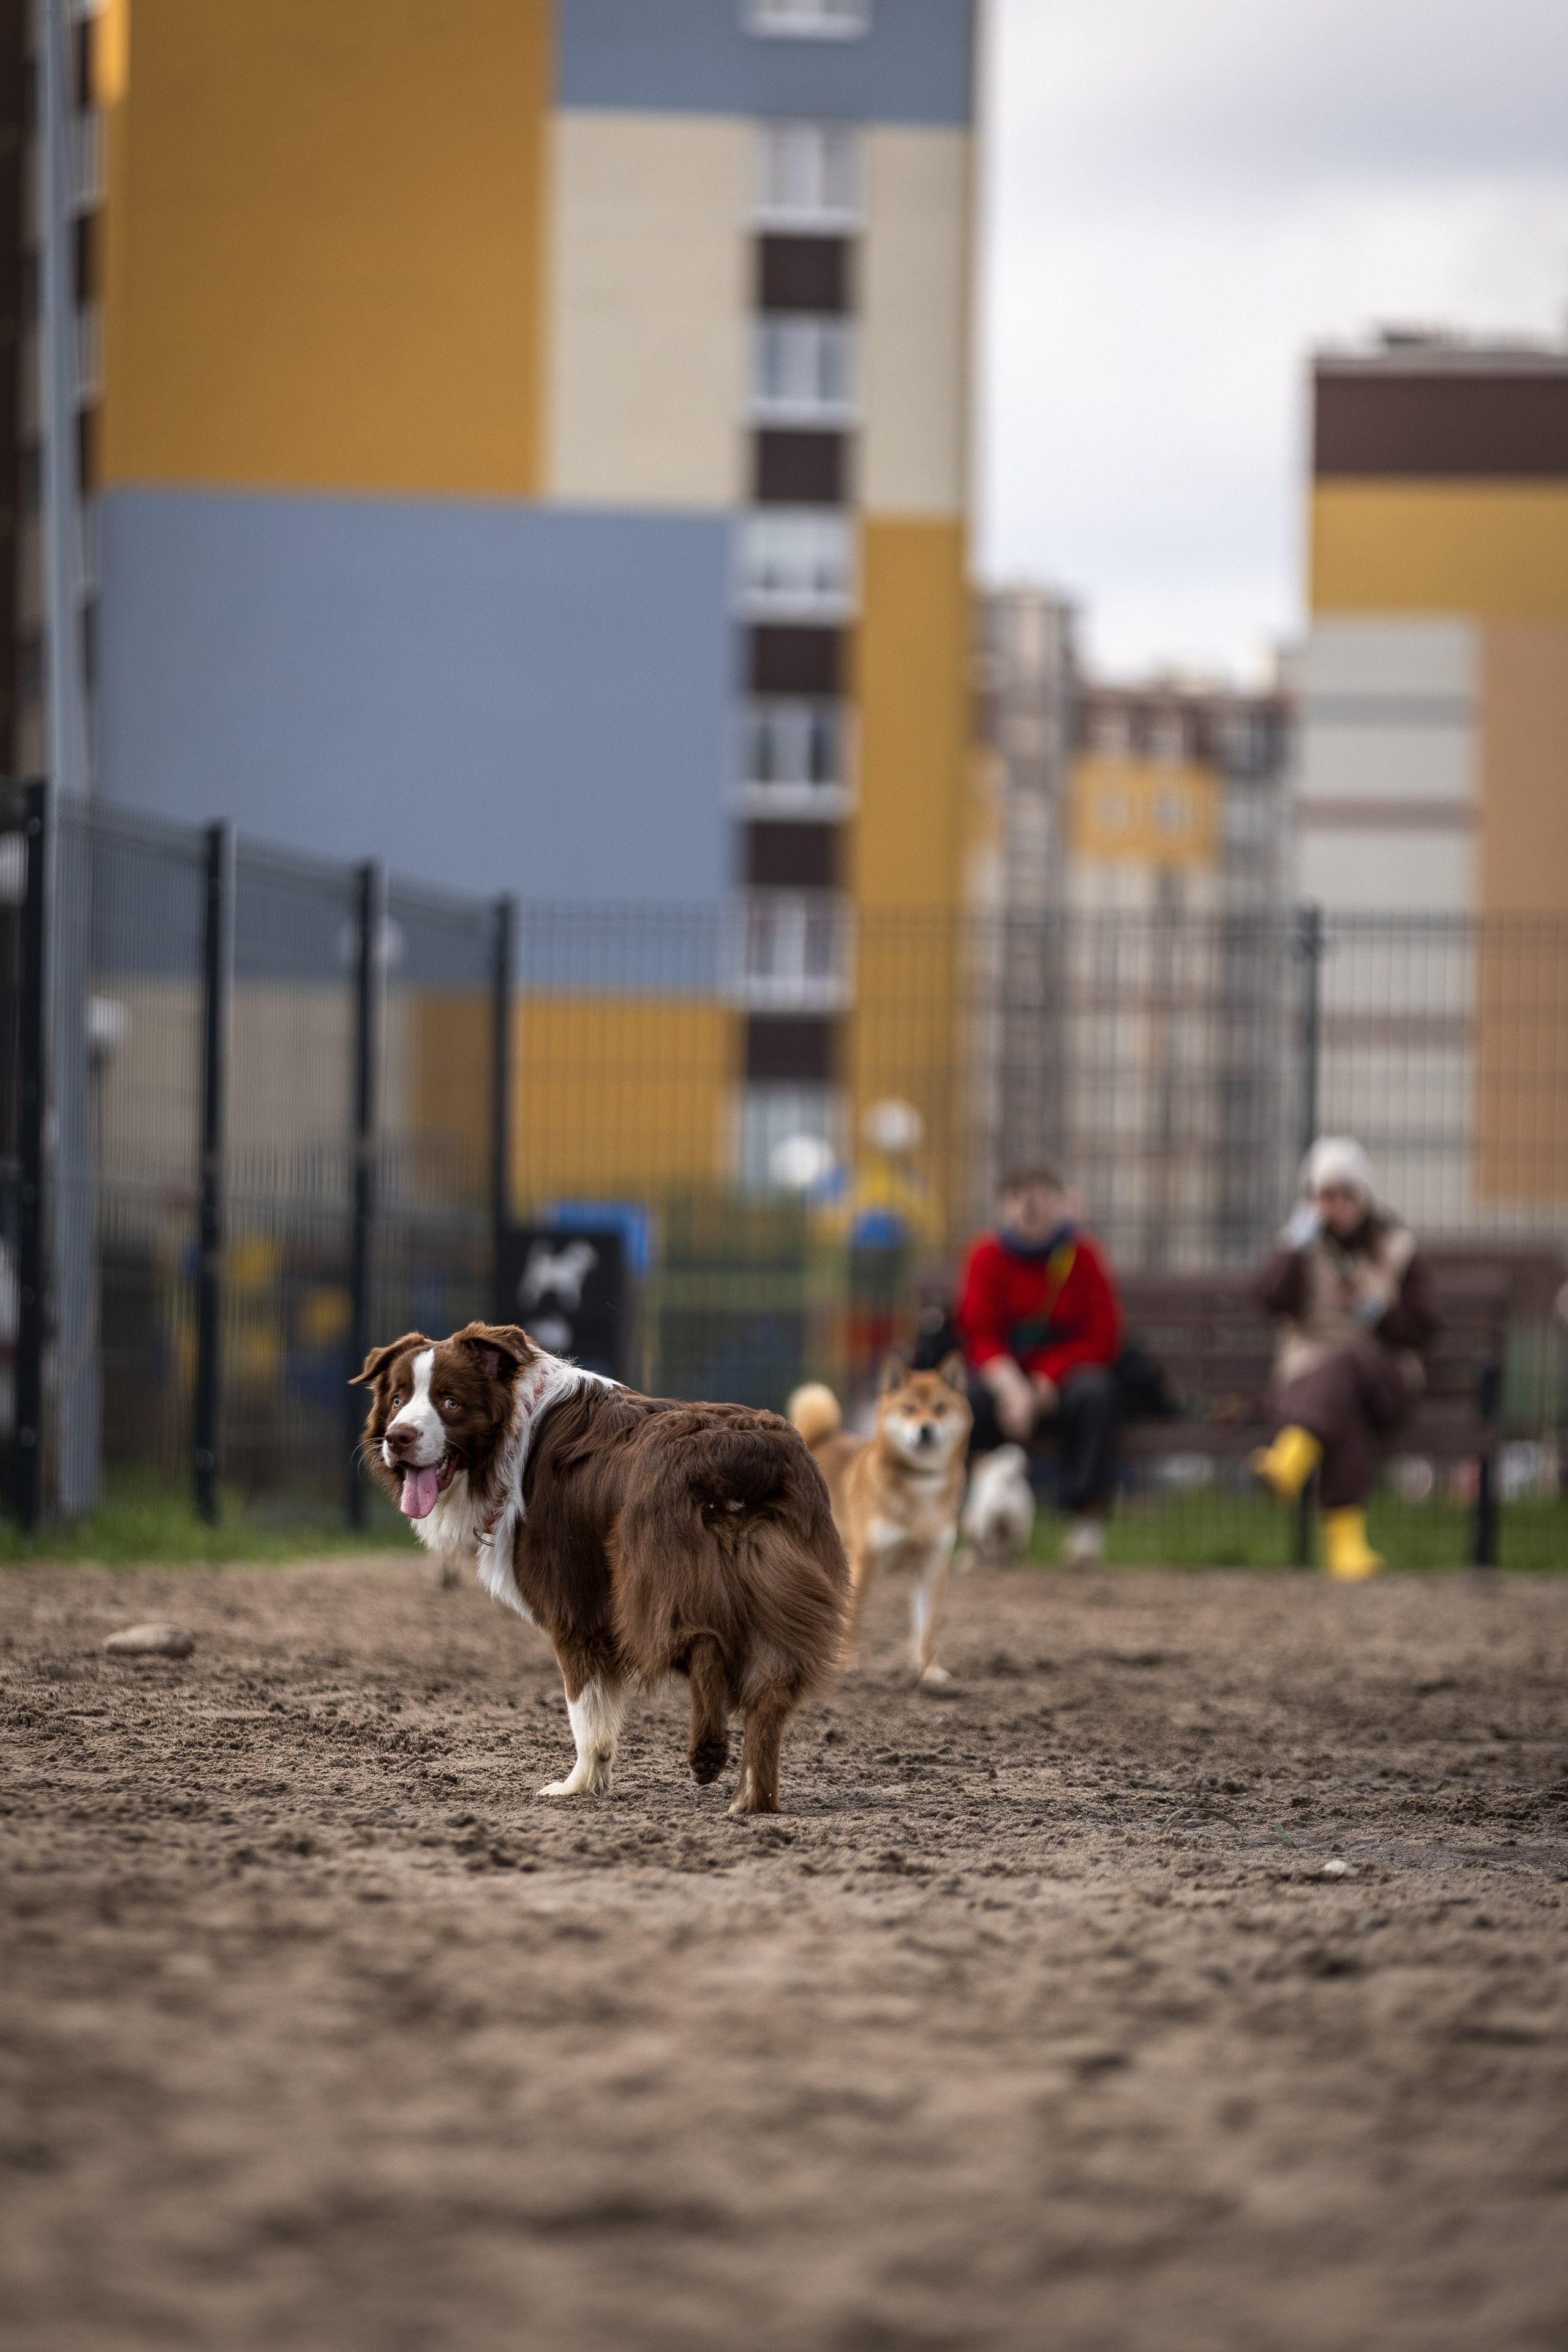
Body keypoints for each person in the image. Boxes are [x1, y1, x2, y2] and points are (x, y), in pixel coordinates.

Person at [1253, 1136, 1440, 1581]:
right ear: (1310, 1199)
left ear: (1363, 1197)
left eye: (1345, 1196)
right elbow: (1270, 1301)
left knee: (1348, 1362)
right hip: (1312, 1381)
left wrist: (1375, 1309)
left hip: (1385, 1378)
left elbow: (1425, 1328)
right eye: (1324, 1196)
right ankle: (1346, 1547)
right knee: (1343, 1409)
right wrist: (1291, 1248)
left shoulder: (1397, 1246)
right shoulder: (1299, 1248)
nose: (1334, 1207)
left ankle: (1292, 1456)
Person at [956, 1165, 1123, 1568]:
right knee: (969, 1402)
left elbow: (1103, 1335)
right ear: (1005, 1207)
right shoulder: (985, 1256)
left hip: (1065, 1381)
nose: (1032, 1207)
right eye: (1021, 1197)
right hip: (1004, 1380)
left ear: (1061, 1205)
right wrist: (1014, 1389)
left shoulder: (1083, 1257)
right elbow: (979, 1333)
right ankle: (981, 1524)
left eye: (1043, 1197)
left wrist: (1048, 1379)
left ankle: (1087, 1527)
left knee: (1096, 1395)